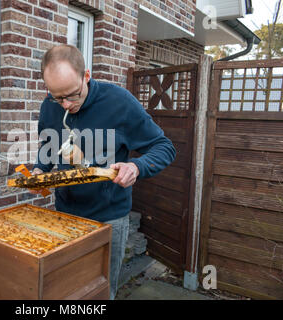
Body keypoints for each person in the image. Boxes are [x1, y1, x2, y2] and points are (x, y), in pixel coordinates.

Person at [31, 44, 176, 300]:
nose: (65, 105)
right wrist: (37, 170)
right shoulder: (50, 105)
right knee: (66, 289)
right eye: (57, 97)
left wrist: (136, 166)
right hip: (65, 214)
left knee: (99, 292)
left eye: (72, 95)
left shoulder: (119, 102)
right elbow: (49, 146)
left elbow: (164, 147)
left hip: (107, 218)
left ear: (86, 75)